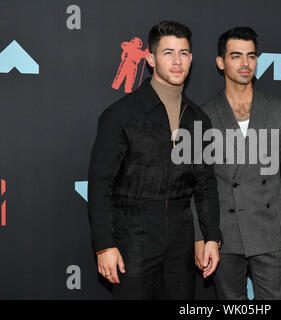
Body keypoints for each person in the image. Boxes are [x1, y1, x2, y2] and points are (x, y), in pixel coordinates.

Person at [87, 20, 222, 300]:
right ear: (150, 58)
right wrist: (104, 245)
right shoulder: (120, 115)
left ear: (191, 59)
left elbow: (205, 184)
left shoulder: (198, 118)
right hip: (132, 236)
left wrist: (211, 237)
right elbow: (100, 186)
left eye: (184, 53)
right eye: (168, 52)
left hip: (181, 238)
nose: (177, 61)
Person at [193, 27, 281, 300]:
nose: (245, 64)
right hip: (223, 233)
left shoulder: (279, 109)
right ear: (221, 62)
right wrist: (200, 237)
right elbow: (196, 184)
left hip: (272, 229)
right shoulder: (203, 115)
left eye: (251, 56)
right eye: (236, 56)